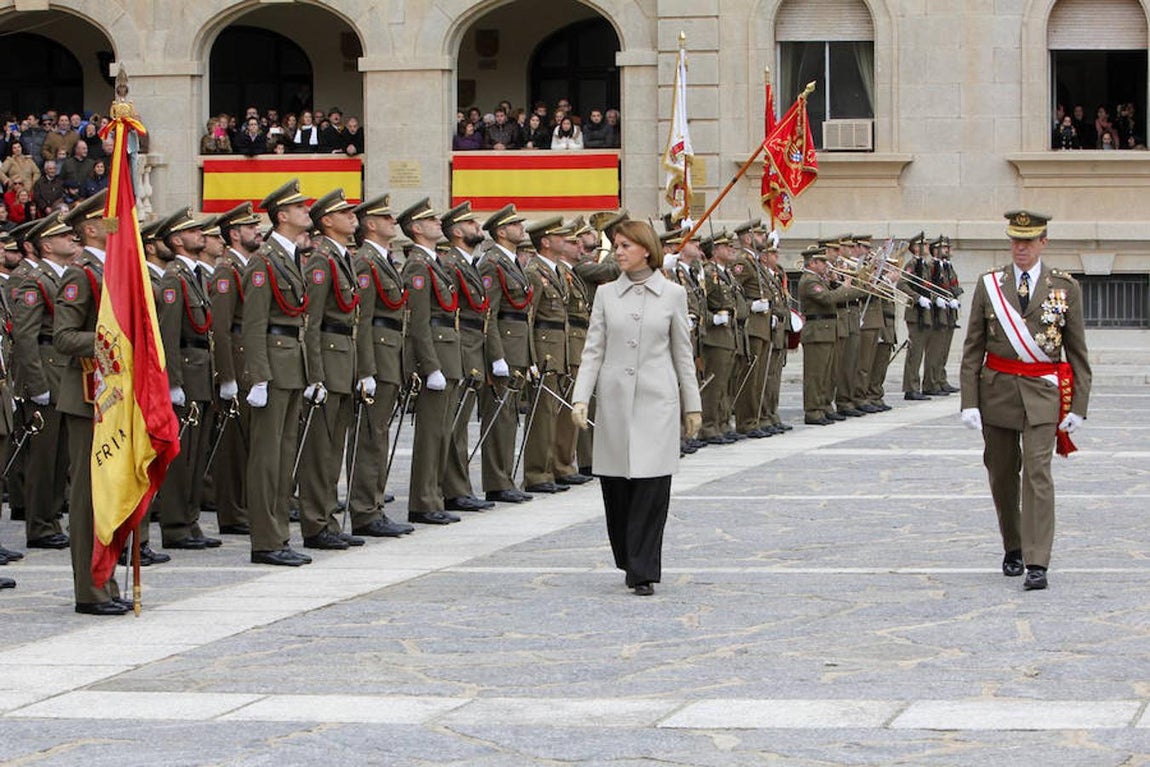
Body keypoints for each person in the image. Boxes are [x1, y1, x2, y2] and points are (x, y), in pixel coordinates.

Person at [960, 211, 1092, 592]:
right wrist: (969, 400)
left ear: (1043, 243)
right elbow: (973, 348)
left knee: (1038, 475)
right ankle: (1013, 546)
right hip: (997, 391)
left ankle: (1037, 560)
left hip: (1042, 395)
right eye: (1015, 240)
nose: (1020, 248)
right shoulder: (990, 285)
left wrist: (1079, 406)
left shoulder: (1064, 287)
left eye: (1028, 241)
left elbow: (1077, 352)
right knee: (1002, 474)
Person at [570, 220, 701, 596]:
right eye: (616, 245)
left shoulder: (673, 295)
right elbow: (593, 349)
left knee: (652, 485)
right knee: (616, 486)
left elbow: (683, 354)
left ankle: (643, 569)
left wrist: (692, 405)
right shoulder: (606, 294)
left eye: (626, 245)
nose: (619, 252)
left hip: (657, 401)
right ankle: (629, 556)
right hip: (613, 401)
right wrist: (582, 396)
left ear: (646, 249)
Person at [242, 179, 313, 567]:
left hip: (291, 365)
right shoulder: (264, 260)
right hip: (273, 364)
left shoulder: (289, 258)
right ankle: (265, 540)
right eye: (300, 208)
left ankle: (280, 534)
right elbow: (254, 324)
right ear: (283, 216)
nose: (307, 212)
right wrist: (259, 376)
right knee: (267, 459)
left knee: (285, 457)